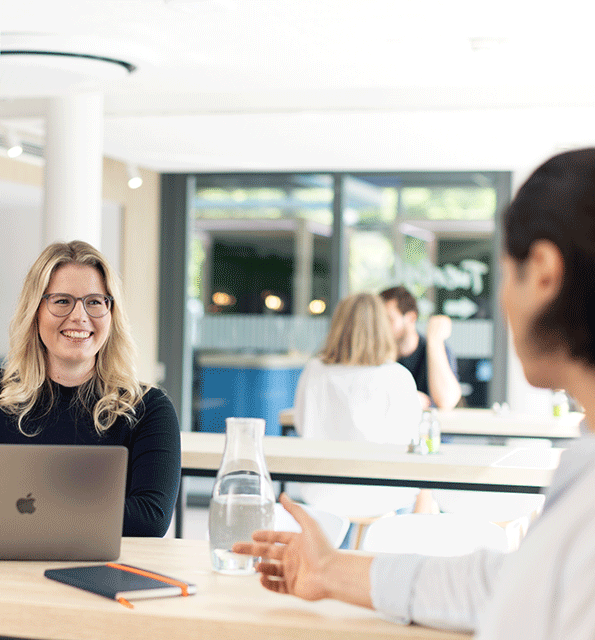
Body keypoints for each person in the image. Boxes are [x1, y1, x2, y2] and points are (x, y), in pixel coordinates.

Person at [233, 148, 595, 639]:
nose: (504, 300)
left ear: (544, 272)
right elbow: (502, 586)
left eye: (505, 275)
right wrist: (328, 570)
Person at [0, 240, 180, 536]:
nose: (80, 316)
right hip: (1, 572)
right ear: (36, 311)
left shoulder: (148, 409)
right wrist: (85, 506)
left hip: (101, 573)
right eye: (62, 301)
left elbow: (150, 518)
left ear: (111, 314)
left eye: (94, 301)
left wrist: (19, 504)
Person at [290, 292, 425, 523]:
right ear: (382, 329)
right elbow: (409, 441)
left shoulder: (313, 371)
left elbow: (301, 426)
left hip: (321, 493)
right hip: (382, 495)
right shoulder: (397, 377)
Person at [379, 285, 462, 409]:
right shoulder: (377, 354)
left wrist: (434, 342)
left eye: (389, 319)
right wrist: (409, 399)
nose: (382, 328)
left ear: (411, 318)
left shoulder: (435, 348)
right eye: (379, 321)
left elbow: (446, 401)